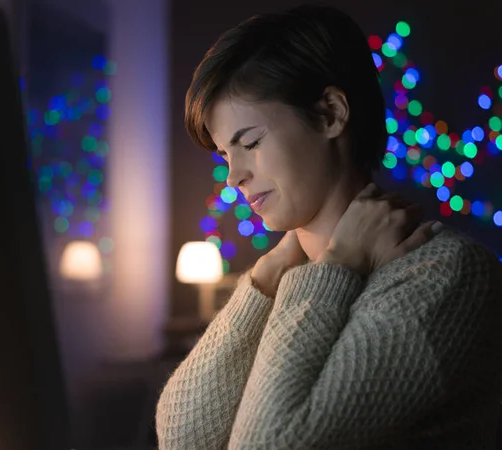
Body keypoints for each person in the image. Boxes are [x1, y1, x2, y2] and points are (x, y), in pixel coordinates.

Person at [155, 4, 502, 449]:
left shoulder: (446, 275)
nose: (233, 175)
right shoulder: (285, 279)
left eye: (252, 142)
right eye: (225, 153)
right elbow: (183, 440)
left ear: (331, 114)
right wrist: (267, 275)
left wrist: (335, 267)